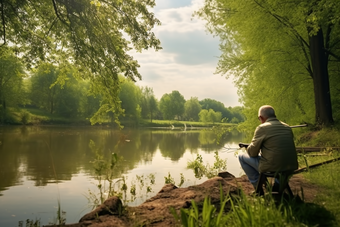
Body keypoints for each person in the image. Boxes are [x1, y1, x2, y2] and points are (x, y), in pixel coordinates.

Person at [238, 105, 298, 189]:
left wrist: (249, 147)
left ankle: (258, 186)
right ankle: (277, 185)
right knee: (279, 158)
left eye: (259, 119)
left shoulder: (262, 128)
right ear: (274, 116)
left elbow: (252, 153)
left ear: (261, 118)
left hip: (272, 167)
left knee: (241, 156)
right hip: (291, 166)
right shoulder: (287, 127)